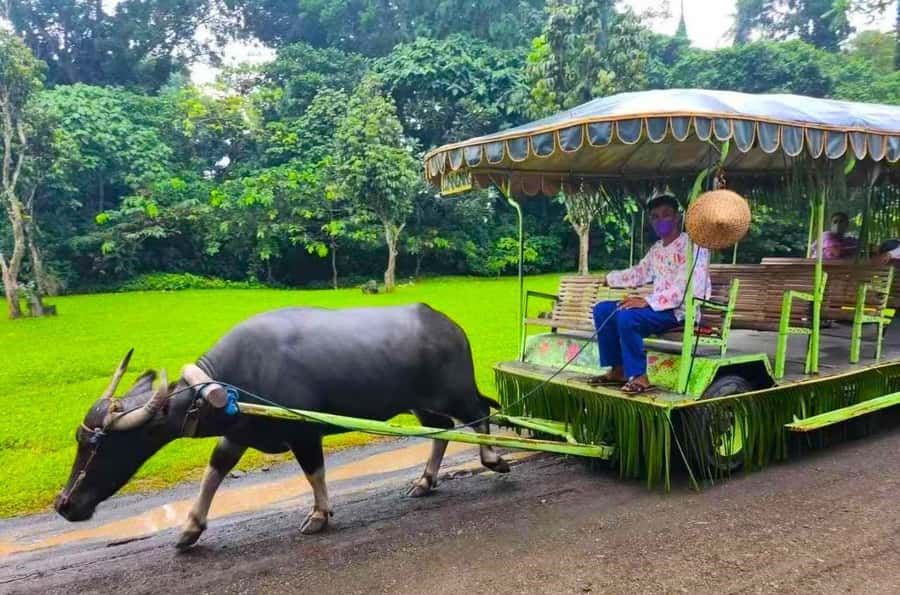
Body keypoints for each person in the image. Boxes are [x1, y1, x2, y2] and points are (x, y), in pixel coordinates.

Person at [588, 190, 711, 394]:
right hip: (656, 309)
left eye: (666, 214)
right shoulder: (657, 249)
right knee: (603, 309)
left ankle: (640, 376)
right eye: (655, 217)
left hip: (679, 312)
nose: (660, 220)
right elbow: (640, 272)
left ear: (677, 217)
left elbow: (686, 289)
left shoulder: (693, 246)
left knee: (627, 317)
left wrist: (647, 301)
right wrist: (609, 278)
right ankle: (618, 369)